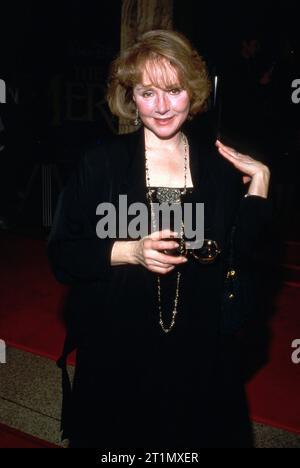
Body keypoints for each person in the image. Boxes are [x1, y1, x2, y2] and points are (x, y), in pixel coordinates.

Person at [48, 29, 271, 448]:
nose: (163, 107)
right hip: (118, 355)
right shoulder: (101, 163)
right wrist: (129, 250)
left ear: (194, 91)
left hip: (199, 361)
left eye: (174, 90)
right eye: (148, 92)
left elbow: (242, 266)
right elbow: (63, 255)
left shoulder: (219, 170)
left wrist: (259, 186)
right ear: (131, 97)